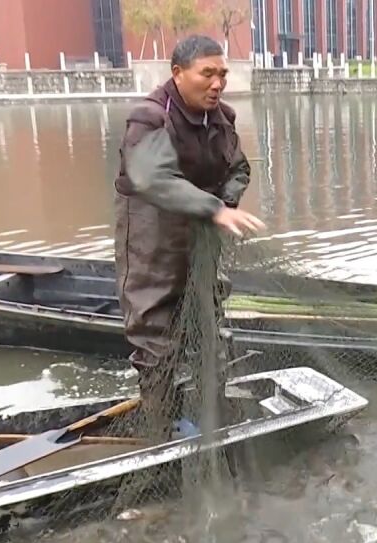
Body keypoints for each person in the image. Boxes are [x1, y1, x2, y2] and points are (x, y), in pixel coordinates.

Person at [113, 35, 265, 437]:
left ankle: (213, 425)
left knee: (209, 335)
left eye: (223, 74)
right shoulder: (149, 117)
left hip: (201, 248)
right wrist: (213, 209)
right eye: (207, 74)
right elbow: (153, 177)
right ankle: (160, 440)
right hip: (152, 251)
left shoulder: (222, 119)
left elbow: (239, 169)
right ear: (178, 74)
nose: (217, 84)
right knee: (156, 346)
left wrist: (225, 204)